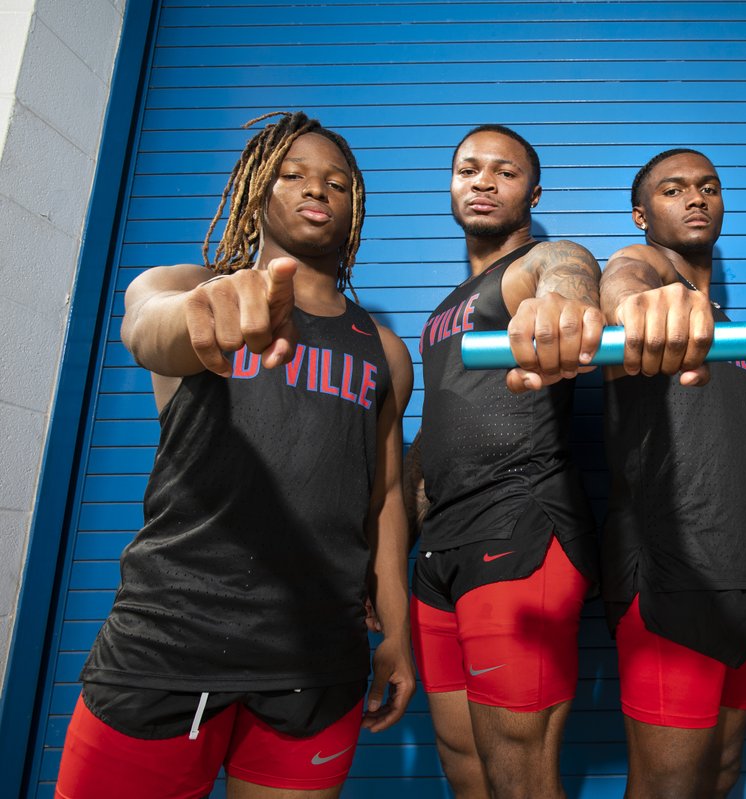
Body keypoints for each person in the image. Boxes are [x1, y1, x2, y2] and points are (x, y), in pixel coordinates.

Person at [56, 112, 415, 799]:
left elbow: (387, 498)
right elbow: (148, 327)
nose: (318, 189)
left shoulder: (384, 351)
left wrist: (395, 632)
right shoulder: (189, 285)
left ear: (355, 206)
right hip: (168, 644)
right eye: (294, 174)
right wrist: (202, 309)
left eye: (338, 183)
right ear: (256, 190)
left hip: (317, 659)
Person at [405, 124, 603, 799]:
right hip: (440, 549)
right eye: (468, 169)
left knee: (520, 774)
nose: (483, 181)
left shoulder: (529, 269)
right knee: (463, 763)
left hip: (520, 527)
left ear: (534, 190)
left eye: (504, 171)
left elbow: (567, 266)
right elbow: (436, 428)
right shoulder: (440, 313)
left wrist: (566, 300)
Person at [598, 148, 746, 798]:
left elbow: (722, 452)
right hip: (666, 578)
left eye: (708, 186)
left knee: (720, 777)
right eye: (673, 190)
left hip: (738, 576)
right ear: (643, 212)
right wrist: (634, 300)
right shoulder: (646, 305)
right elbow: (622, 273)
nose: (696, 197)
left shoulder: (728, 329)